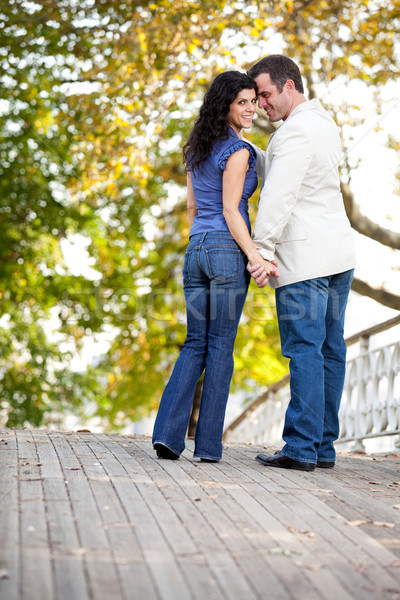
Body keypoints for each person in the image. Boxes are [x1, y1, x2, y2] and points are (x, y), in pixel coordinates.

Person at [152, 71, 278, 462]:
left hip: (196, 249)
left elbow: (193, 208)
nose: (251, 108)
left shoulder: (197, 148)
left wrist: (202, 243)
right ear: (225, 105)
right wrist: (255, 258)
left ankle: (168, 438)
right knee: (220, 346)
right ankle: (207, 447)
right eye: (242, 102)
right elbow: (230, 209)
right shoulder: (237, 150)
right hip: (226, 249)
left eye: (253, 101)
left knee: (194, 342)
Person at [246, 55, 356, 471]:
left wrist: (261, 250)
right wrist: (249, 149)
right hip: (338, 256)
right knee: (330, 350)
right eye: (256, 98)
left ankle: (300, 448)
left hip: (305, 260)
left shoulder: (293, 132)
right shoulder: (321, 124)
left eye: (266, 95)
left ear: (289, 85)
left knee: (304, 349)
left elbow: (279, 192)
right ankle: (323, 447)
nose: (261, 105)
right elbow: (294, 172)